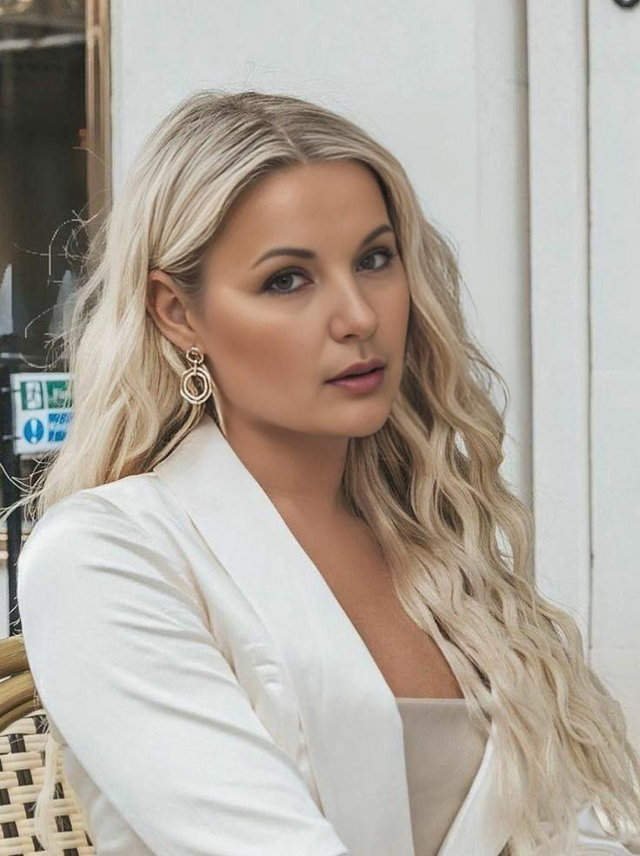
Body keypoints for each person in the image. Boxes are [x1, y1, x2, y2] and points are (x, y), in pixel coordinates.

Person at [7, 89, 640, 856]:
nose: (359, 317)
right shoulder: (107, 555)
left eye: (374, 260)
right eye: (287, 279)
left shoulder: (438, 547)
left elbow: (576, 828)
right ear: (178, 313)